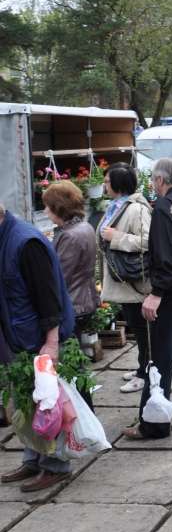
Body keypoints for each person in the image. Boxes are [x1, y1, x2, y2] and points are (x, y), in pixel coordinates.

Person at [0, 200, 77, 492]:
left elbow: (49, 298)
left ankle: (56, 465)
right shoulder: (4, 238)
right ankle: (33, 458)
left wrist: (52, 342)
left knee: (48, 403)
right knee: (24, 402)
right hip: (17, 338)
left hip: (38, 339)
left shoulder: (26, 242)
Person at [113, 158, 172, 439]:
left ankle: (153, 424)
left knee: (160, 358)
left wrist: (155, 294)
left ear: (160, 181)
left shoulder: (164, 209)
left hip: (170, 294)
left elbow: (168, 259)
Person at [98, 162, 153, 395]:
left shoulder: (137, 209)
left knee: (143, 330)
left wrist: (117, 237)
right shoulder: (115, 206)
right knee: (137, 328)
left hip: (134, 283)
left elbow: (147, 241)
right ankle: (143, 367)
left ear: (118, 184)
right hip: (123, 280)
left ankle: (146, 373)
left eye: (108, 181)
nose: (104, 184)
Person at [41, 181, 99, 351]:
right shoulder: (84, 227)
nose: (45, 211)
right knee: (75, 355)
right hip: (83, 299)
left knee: (69, 360)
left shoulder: (69, 236)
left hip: (73, 304)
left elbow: (59, 276)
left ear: (57, 207)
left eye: (47, 206)